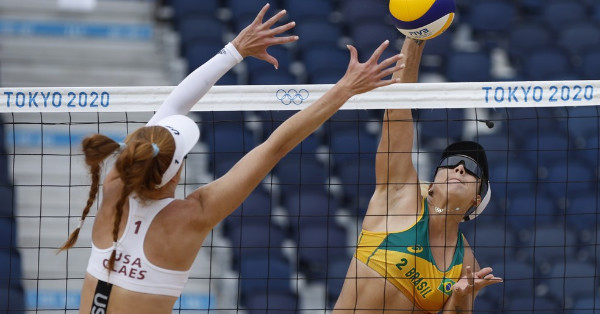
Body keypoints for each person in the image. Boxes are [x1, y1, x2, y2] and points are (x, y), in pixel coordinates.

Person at [57, 4, 406, 313]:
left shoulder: (114, 184)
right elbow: (275, 146)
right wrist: (344, 89)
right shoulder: (192, 214)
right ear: (177, 173)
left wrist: (234, 51)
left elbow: (172, 109)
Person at [333, 38, 503, 313]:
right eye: (451, 163)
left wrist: (460, 298)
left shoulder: (466, 261)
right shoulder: (399, 196)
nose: (459, 168)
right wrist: (415, 39)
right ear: (431, 184)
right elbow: (398, 108)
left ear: (476, 200)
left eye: (472, 170)